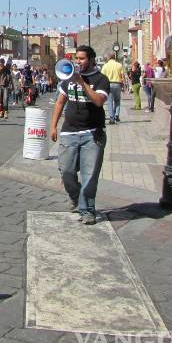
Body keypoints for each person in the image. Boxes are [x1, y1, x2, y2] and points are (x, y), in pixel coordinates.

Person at [50, 45, 109, 225]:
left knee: (89, 175)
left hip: (92, 133)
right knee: (66, 170)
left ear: (91, 60)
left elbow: (99, 101)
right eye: (77, 58)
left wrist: (82, 82)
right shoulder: (67, 79)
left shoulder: (101, 79)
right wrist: (53, 126)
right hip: (70, 131)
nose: (78, 62)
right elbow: (60, 103)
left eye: (82, 59)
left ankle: (87, 209)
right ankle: (75, 196)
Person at [101, 54, 124, 124]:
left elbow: (102, 77)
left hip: (109, 85)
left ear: (108, 58)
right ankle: (116, 115)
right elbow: (122, 76)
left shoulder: (105, 66)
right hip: (117, 84)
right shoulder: (119, 65)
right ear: (115, 58)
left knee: (109, 102)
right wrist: (123, 85)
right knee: (117, 101)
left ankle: (111, 118)